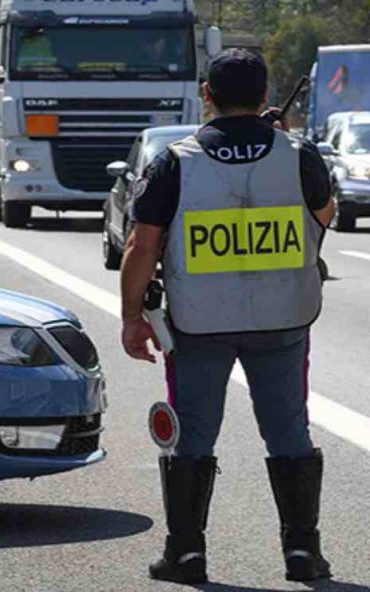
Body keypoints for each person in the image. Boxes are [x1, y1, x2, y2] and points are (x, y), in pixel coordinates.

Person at [120, 49, 336, 585]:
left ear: (207, 96)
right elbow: (325, 214)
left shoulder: (176, 160)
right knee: (288, 432)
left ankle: (186, 554)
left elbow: (140, 246)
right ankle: (303, 554)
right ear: (265, 96)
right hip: (283, 319)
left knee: (193, 436)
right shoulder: (299, 154)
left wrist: (132, 317)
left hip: (199, 323)